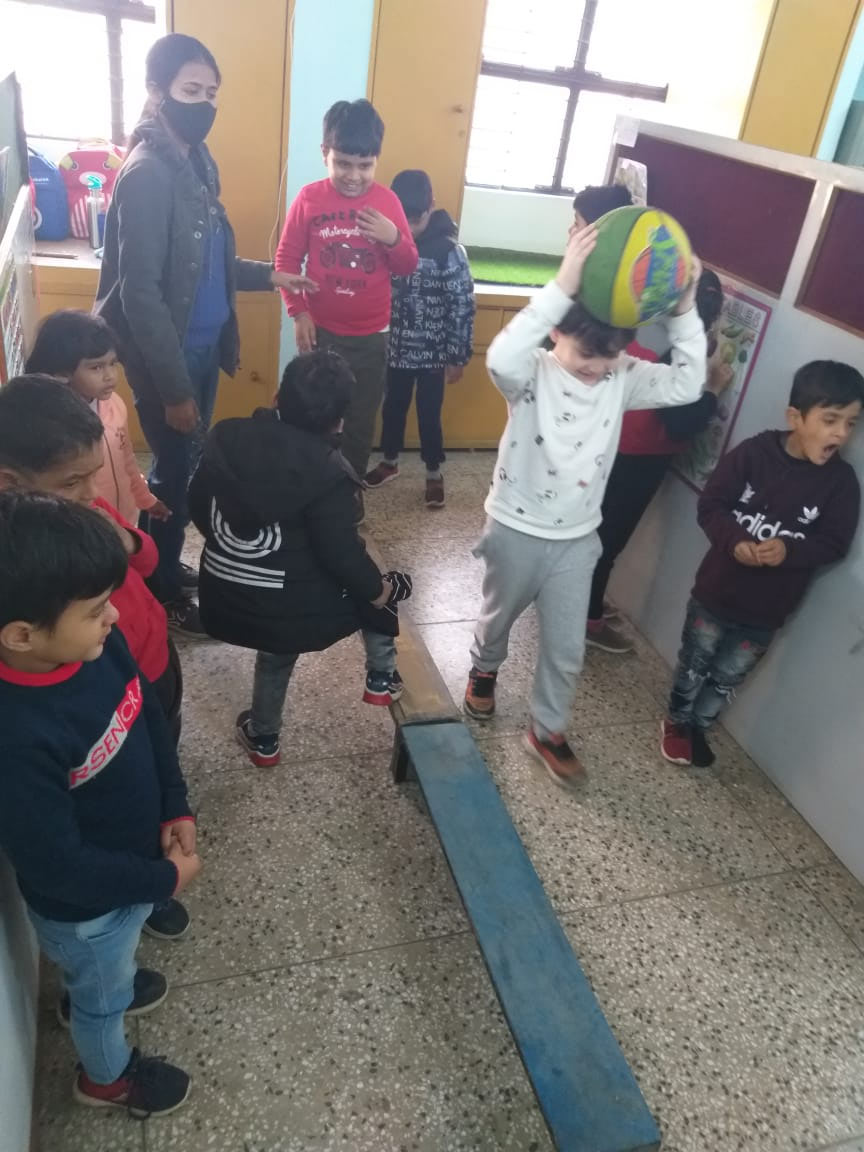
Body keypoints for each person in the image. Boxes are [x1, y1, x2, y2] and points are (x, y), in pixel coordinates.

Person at [463, 225, 706, 787]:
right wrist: (561, 286)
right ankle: (485, 668)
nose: (597, 366)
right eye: (585, 354)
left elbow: (689, 384)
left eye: (611, 354)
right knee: (498, 618)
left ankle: (546, 729)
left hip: (577, 540)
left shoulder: (623, 377)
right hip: (515, 529)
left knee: (567, 646)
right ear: (556, 332)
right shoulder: (531, 373)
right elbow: (499, 355)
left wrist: (684, 310)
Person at [95, 33, 314, 636]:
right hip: (172, 358)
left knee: (184, 468)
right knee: (173, 474)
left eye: (212, 93)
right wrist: (173, 390)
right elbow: (141, 293)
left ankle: (164, 564)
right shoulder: (148, 174)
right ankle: (160, 588)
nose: (205, 104)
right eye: (191, 90)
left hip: (200, 349)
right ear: (156, 91)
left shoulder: (192, 163)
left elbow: (202, 265)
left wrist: (269, 274)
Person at [0, 492, 202, 1117]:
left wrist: (175, 804)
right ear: (22, 635)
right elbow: (57, 867)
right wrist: (163, 880)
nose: (114, 615)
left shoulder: (94, 644)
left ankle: (94, 984)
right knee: (102, 998)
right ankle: (106, 1079)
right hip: (87, 912)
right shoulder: (17, 738)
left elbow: (145, 717)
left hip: (127, 870)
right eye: (95, 609)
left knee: (105, 970)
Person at [0, 377, 189, 940]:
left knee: (152, 748)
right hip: (98, 681)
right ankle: (144, 887)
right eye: (73, 481)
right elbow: (55, 855)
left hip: (140, 665)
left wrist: (175, 804)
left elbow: (147, 561)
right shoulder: (24, 566)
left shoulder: (87, 511)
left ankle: (149, 874)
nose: (90, 492)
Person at [188, 350, 412, 768]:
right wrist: (379, 590)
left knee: (284, 629)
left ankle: (264, 739)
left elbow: (197, 506)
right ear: (339, 422)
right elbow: (341, 555)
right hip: (289, 614)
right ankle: (382, 678)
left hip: (220, 599)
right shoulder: (331, 471)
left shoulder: (225, 437)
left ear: (276, 398)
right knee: (377, 584)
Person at [661, 360, 863, 769]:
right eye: (830, 420)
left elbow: (834, 543)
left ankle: (700, 725)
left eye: (851, 423)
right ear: (795, 417)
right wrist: (735, 541)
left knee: (728, 675)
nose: (841, 434)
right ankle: (677, 722)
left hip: (767, 613)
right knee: (695, 662)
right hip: (715, 595)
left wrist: (790, 551)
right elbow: (711, 505)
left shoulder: (842, 483)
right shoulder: (754, 454)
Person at [274, 99, 419, 523]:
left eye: (364, 165)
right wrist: (299, 312)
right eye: (343, 163)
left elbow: (407, 265)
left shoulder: (387, 202)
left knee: (357, 424)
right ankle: (304, 493)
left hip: (371, 338)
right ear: (325, 154)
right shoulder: (310, 198)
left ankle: (346, 499)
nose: (354, 176)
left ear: (376, 160)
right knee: (310, 416)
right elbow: (286, 261)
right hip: (320, 334)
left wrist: (393, 239)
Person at [586, 269, 732, 653]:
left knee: (592, 529)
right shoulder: (690, 349)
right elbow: (679, 421)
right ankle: (587, 619)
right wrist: (713, 390)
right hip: (639, 458)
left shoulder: (643, 323)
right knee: (608, 541)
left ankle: (573, 597)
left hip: (608, 439)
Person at [364, 169, 475, 509]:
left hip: (433, 357)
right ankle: (389, 461)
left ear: (431, 207)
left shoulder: (448, 251)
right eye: (404, 219)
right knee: (392, 409)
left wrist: (457, 356)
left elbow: (462, 305)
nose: (409, 229)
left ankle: (433, 472)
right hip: (394, 351)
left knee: (429, 414)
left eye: (417, 219)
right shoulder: (384, 241)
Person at [26, 309, 170, 526]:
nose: (110, 376)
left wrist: (145, 498)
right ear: (62, 372)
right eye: (96, 367)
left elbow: (127, 460)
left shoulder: (115, 404)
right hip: (85, 525)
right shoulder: (51, 425)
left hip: (124, 517)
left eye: (113, 363)